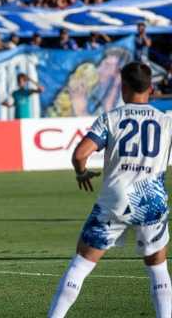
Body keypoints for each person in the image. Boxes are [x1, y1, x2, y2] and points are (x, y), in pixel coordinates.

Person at [47, 62, 172, 318]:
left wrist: (81, 172)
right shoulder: (166, 121)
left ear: (123, 87)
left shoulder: (111, 118)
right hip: (152, 202)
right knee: (158, 268)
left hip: (115, 200)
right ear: (151, 88)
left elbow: (80, 154)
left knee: (81, 264)